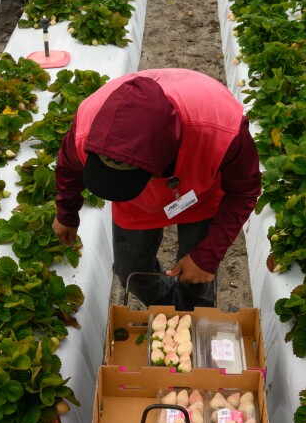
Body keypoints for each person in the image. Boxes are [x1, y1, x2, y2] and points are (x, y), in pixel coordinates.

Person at [52, 69, 262, 311]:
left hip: (201, 195)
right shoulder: (87, 128)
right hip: (137, 204)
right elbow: (68, 166)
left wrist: (206, 256)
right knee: (131, 269)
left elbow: (244, 191)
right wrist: (66, 213)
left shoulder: (222, 129)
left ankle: (192, 313)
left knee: (197, 277)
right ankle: (168, 307)